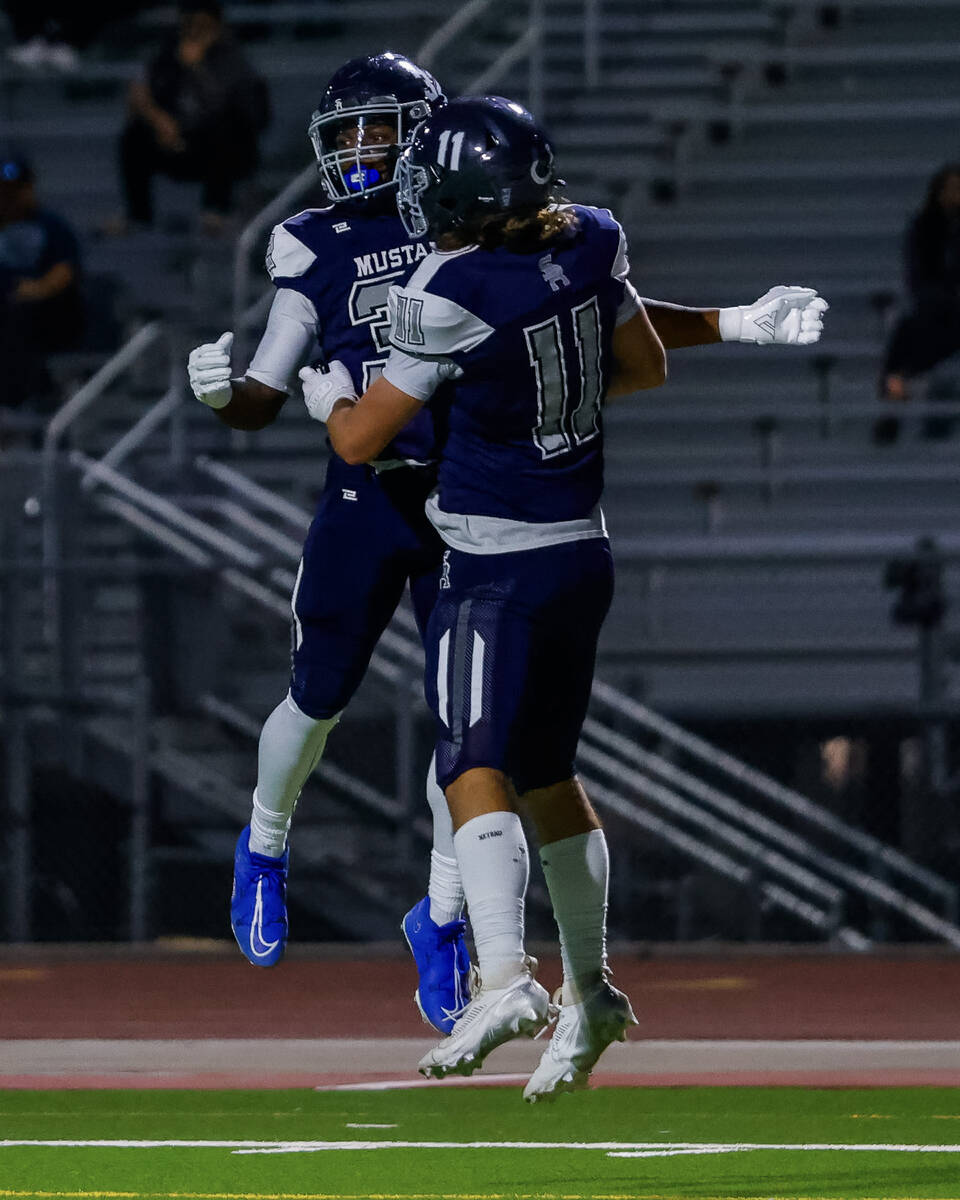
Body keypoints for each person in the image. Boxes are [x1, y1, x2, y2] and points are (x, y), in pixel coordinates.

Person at [187, 53, 827, 1040]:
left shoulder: (476, 237)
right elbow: (271, 392)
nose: (366, 150)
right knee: (320, 697)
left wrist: (737, 321)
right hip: (371, 494)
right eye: (349, 133)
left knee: (466, 735)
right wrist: (230, 395)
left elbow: (578, 329)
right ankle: (266, 845)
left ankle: (446, 919)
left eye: (385, 131)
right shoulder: (316, 243)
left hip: (467, 499)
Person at [113, 0, 269, 235]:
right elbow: (140, 92)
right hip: (180, 141)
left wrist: (196, 68)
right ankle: (139, 215)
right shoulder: (169, 53)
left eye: (201, 25)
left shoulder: (233, 59)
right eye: (189, 24)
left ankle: (216, 210)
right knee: (134, 136)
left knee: (226, 129)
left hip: (226, 151)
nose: (194, 31)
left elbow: (230, 109)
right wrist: (159, 121)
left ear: (216, 26)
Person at [878, 163, 960, 442]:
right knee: (907, 335)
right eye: (949, 189)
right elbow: (918, 274)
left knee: (924, 337)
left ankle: (899, 394)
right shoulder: (923, 227)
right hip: (934, 307)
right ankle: (893, 402)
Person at [0, 154, 84, 415]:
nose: (11, 196)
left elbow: (65, 270)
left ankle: (27, 396)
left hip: (46, 312)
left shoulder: (51, 226)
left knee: (17, 319)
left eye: (17, 189)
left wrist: (37, 290)